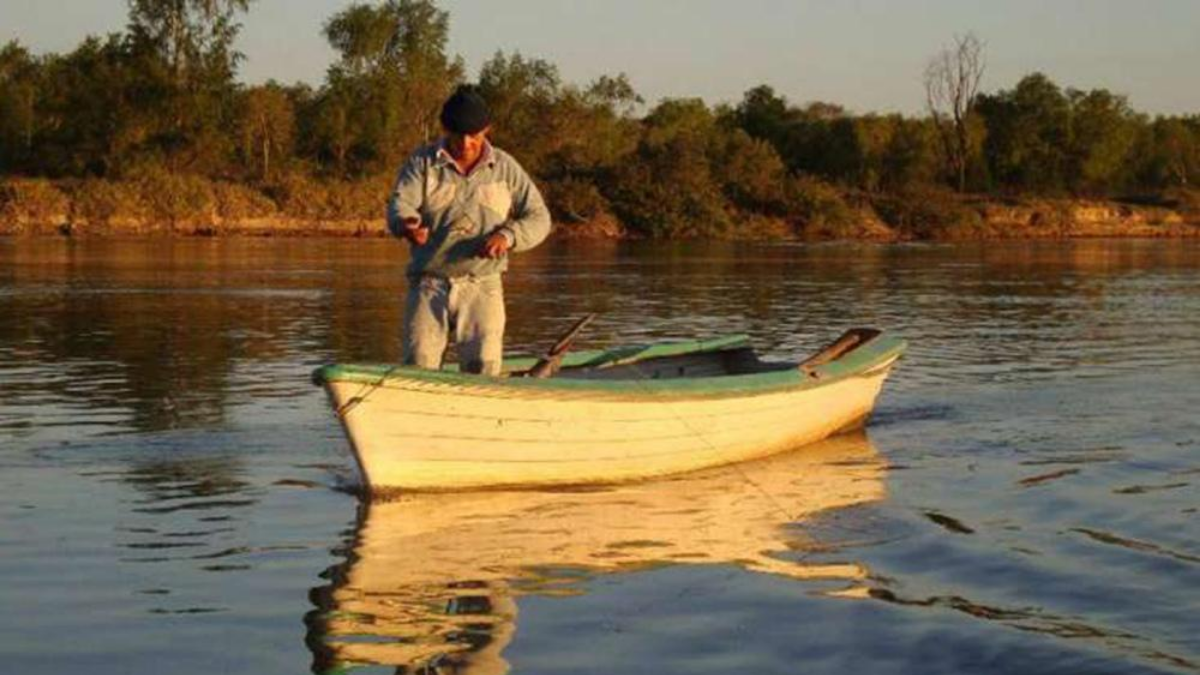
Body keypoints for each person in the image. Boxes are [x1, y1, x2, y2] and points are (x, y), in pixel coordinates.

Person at [387, 85, 551, 376]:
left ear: (487, 129)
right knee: (418, 366)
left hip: (483, 283)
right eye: (457, 134)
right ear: (444, 129)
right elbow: (400, 205)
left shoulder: (505, 167)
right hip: (429, 282)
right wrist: (407, 225)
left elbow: (539, 218)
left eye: (473, 135)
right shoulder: (422, 163)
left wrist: (508, 236)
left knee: (482, 369)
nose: (465, 143)